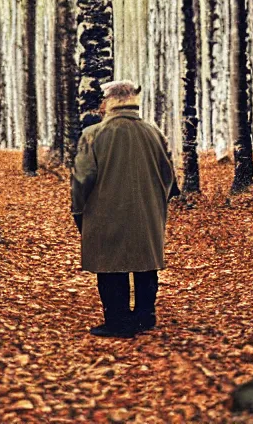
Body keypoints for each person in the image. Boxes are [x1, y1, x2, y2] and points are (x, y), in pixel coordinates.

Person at [71, 80, 179, 338]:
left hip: (105, 211)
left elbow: (82, 178)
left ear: (108, 102)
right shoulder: (153, 132)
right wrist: (156, 202)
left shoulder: (93, 134)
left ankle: (117, 321)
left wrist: (78, 211)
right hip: (147, 210)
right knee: (145, 264)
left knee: (110, 266)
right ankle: (145, 316)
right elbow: (169, 176)